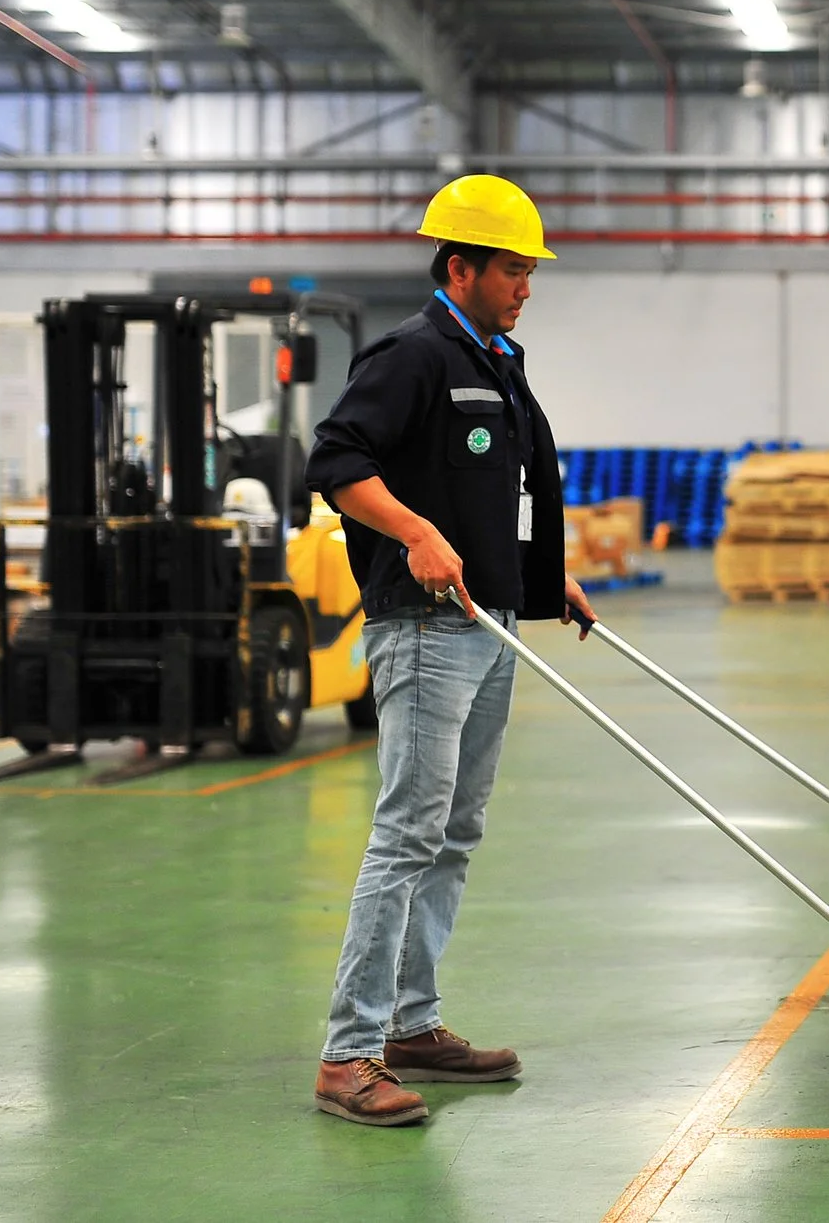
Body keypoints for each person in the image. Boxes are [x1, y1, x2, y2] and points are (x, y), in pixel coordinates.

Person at [304, 174, 594, 1128]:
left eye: (529, 269)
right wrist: (415, 532)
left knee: (454, 832)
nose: (526, 284)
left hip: (491, 618)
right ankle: (349, 1052)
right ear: (460, 267)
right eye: (512, 267)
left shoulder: (497, 359)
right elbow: (339, 460)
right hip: (424, 628)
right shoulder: (415, 355)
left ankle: (411, 1025)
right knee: (407, 834)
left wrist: (540, 578)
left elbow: (486, 501)